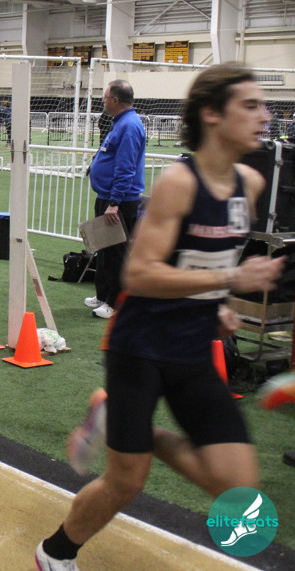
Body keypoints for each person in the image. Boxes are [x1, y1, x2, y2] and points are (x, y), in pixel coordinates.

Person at [35, 64, 284, 571]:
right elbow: (141, 274)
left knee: (239, 489)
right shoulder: (180, 183)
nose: (265, 115)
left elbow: (204, 258)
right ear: (212, 114)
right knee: (126, 481)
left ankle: (116, 421)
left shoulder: (251, 183)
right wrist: (231, 281)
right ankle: (54, 554)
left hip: (193, 349)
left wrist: (216, 303)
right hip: (140, 347)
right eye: (251, 105)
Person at [84, 80, 147, 320]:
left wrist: (114, 202)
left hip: (118, 201)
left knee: (116, 252)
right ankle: (103, 295)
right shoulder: (121, 122)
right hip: (108, 197)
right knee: (105, 249)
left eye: (105, 97)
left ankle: (116, 303)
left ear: (115, 100)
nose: (103, 101)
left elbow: (126, 167)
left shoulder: (129, 125)